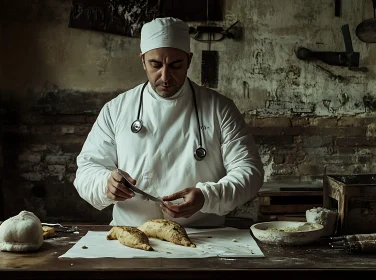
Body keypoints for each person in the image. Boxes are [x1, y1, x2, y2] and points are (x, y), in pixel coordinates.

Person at [74, 17, 264, 227]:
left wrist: (207, 197)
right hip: (131, 234)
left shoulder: (220, 109)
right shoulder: (116, 109)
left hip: (204, 237)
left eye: (175, 65)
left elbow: (249, 172)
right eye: (155, 65)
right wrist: (105, 184)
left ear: (189, 61)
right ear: (142, 61)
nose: (165, 76)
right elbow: (87, 169)